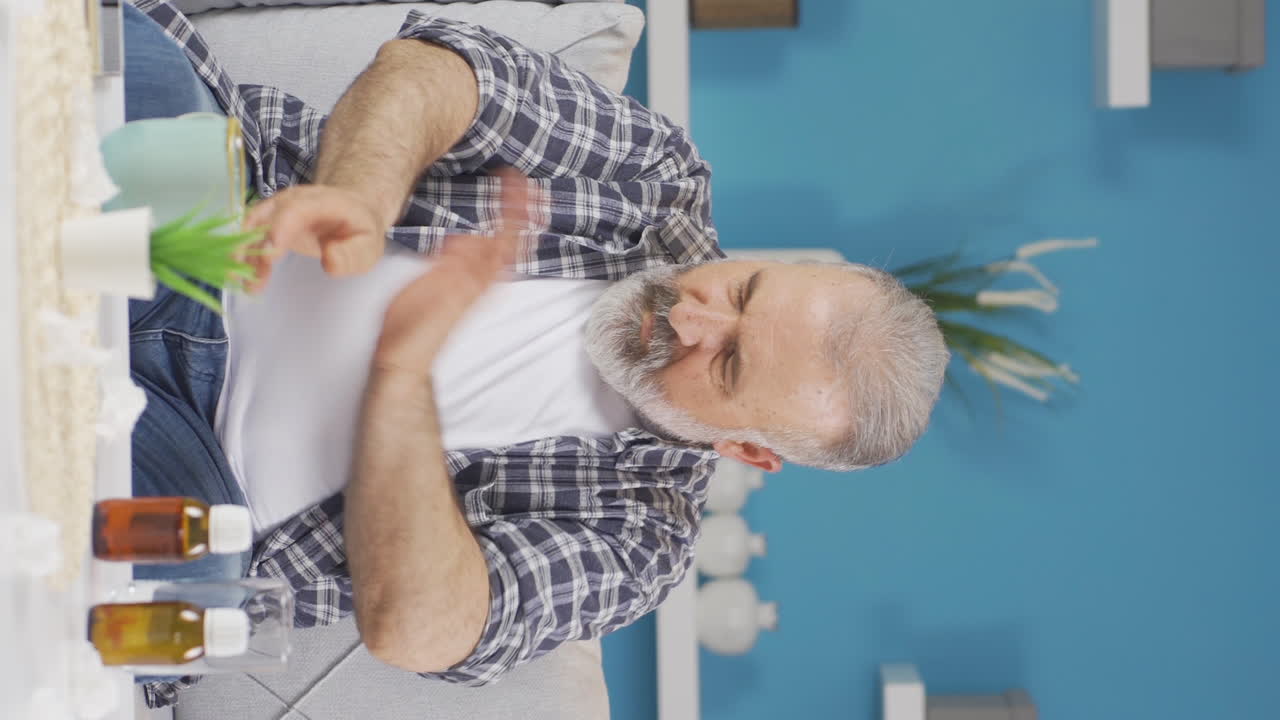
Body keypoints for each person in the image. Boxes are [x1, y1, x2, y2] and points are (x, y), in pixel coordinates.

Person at [121, 0, 949, 707]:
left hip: (193, 475)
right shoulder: (654, 182)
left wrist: (403, 373)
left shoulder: (639, 539)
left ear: (745, 451)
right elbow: (433, 71)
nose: (693, 320)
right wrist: (358, 198)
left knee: (155, 561)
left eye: (727, 365)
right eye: (743, 293)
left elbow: (419, 627)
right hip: (221, 208)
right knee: (132, 60)